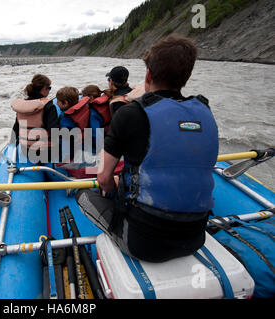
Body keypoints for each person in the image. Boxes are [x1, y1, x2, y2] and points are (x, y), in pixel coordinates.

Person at [76, 35, 219, 263]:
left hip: (143, 244)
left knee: (83, 195)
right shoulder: (204, 109)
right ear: (187, 75)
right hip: (194, 238)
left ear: (148, 74)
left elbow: (103, 178)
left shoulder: (129, 113)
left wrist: (113, 189)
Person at [11, 74, 59, 163]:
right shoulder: (48, 106)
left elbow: (15, 130)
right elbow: (54, 131)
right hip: (46, 153)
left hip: (26, 150)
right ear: (44, 88)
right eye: (49, 88)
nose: (49, 91)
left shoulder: (21, 106)